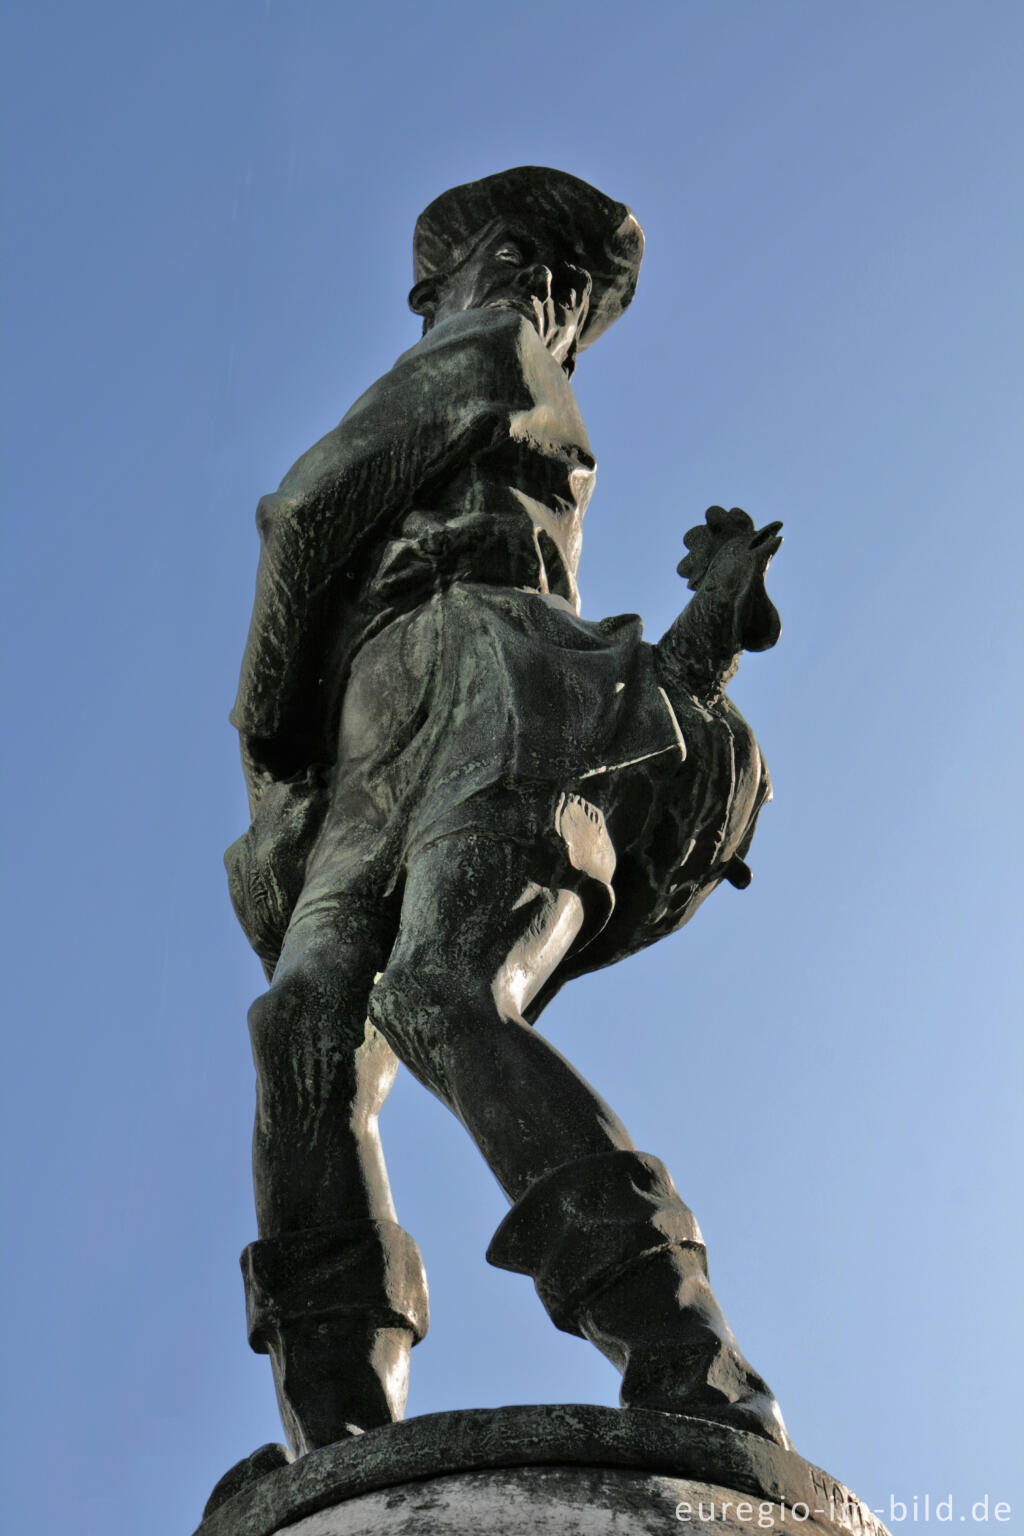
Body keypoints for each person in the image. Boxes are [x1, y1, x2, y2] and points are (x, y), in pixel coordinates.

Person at [225, 167, 788, 1472]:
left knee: (440, 991)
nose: (540, 293)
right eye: (516, 258)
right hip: (387, 706)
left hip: (492, 669)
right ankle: (337, 1433)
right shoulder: (492, 348)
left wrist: (261, 720)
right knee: (307, 1024)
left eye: (561, 281)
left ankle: (692, 1368)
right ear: (442, 280)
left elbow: (306, 509)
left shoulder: (490, 352)